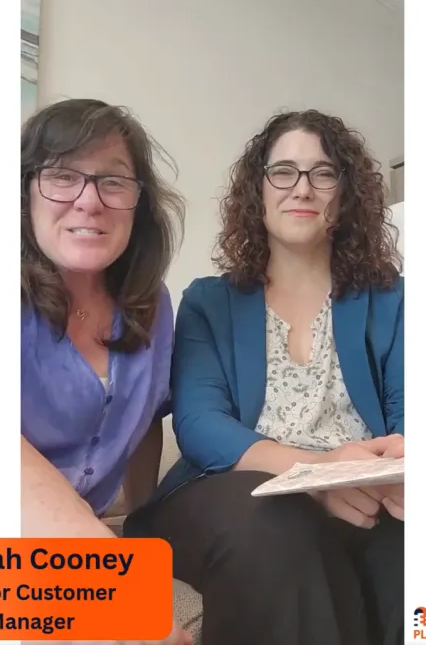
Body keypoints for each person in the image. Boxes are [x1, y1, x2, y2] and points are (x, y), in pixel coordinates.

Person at [125, 110, 405, 645]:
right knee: (279, 525)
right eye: (284, 171)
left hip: (363, 491)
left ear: (346, 194)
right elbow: (200, 425)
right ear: (259, 189)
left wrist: (385, 468)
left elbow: (406, 412)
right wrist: (317, 473)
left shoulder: (391, 299)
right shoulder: (209, 302)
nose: (302, 187)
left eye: (323, 173)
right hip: (233, 494)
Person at [19, 98, 191, 645]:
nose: (89, 201)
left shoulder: (152, 305)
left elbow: (146, 422)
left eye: (113, 181)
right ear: (24, 192)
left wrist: (140, 528)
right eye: (62, 176)